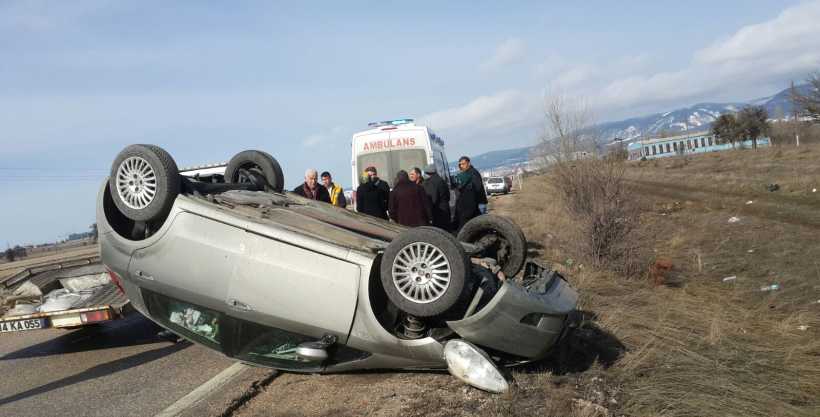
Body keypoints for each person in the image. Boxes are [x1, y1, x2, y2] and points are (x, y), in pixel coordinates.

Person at [454, 156, 487, 230]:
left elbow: (477, 188)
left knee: (480, 224)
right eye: (460, 164)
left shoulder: (473, 173)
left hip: (478, 202)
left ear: (468, 163)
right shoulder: (466, 173)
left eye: (463, 164)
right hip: (473, 204)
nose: (461, 166)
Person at [421, 164, 451, 230]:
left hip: (438, 213)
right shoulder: (440, 180)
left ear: (427, 173)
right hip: (445, 210)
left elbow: (433, 199)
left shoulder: (432, 182)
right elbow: (448, 196)